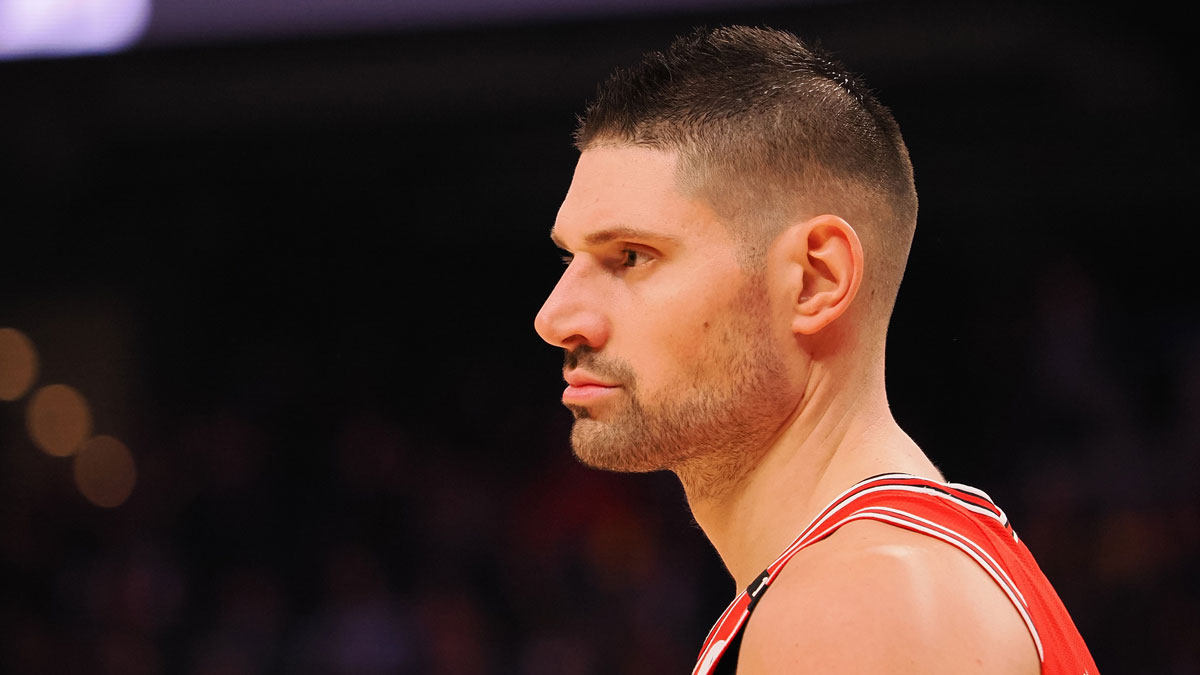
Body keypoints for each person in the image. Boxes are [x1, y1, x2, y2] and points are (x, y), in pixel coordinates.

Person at [533, 25, 1097, 675]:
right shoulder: (883, 572)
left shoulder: (862, 601)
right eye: (569, 257)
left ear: (814, 280)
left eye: (630, 256)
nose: (556, 316)